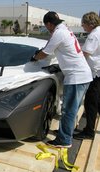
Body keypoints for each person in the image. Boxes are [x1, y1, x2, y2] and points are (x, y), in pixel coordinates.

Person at [33, 11, 93, 148]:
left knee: (68, 110)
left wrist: (34, 58)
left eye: (46, 25)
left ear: (48, 24)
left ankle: (64, 140)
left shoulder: (58, 33)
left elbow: (44, 53)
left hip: (76, 77)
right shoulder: (64, 29)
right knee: (71, 110)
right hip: (82, 76)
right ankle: (64, 132)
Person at [73, 12, 100, 140]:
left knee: (91, 103)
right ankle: (89, 129)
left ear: (90, 24)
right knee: (97, 102)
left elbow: (85, 54)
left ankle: (89, 132)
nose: (82, 26)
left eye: (83, 24)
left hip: (95, 73)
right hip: (98, 71)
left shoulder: (94, 35)